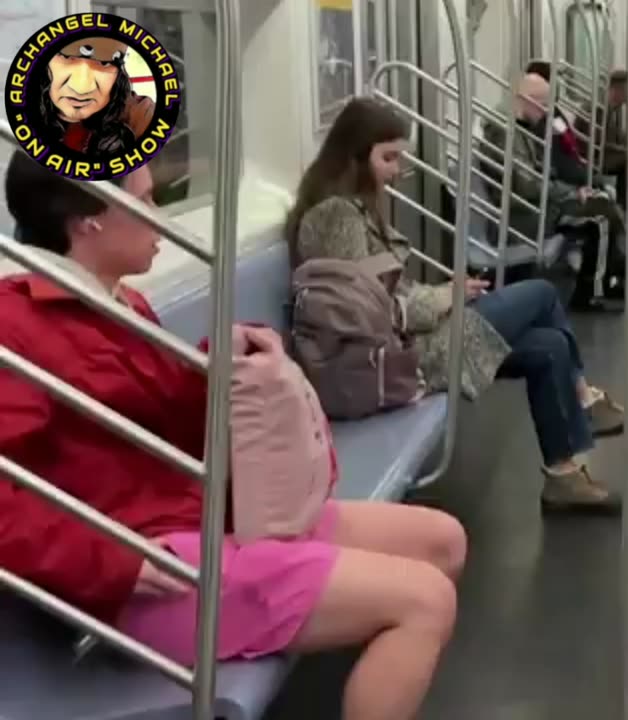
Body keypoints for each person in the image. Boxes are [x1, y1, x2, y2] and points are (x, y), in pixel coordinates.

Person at [0, 151, 465, 720]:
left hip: (203, 513)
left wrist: (221, 366)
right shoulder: (14, 328)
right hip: (150, 567)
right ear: (88, 221)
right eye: (145, 202)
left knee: (442, 541)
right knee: (425, 601)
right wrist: (108, 561)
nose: (162, 221)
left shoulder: (120, 300)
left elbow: (163, 419)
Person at [287, 97, 625, 514]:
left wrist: (444, 294)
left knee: (549, 347)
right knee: (540, 294)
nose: (396, 171)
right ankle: (583, 397)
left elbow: (383, 294)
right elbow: (367, 313)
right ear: (355, 154)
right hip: (383, 362)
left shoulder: (356, 207)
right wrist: (444, 297)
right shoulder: (336, 216)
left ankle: (563, 474)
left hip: (401, 346)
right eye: (388, 158)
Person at [483, 74, 626, 312]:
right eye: (545, 104)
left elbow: (537, 174)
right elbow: (527, 185)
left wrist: (571, 189)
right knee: (599, 219)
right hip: (525, 213)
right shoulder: (505, 131)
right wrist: (571, 193)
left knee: (602, 206)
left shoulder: (516, 126)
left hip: (537, 204)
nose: (549, 111)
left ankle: (610, 275)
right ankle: (592, 292)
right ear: (528, 99)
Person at [575, 69, 628, 208]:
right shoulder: (599, 108)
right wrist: (625, 150)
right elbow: (599, 144)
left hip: (600, 153)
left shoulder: (612, 108)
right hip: (590, 157)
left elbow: (617, 136)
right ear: (619, 89)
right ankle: (623, 206)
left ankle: (623, 205)